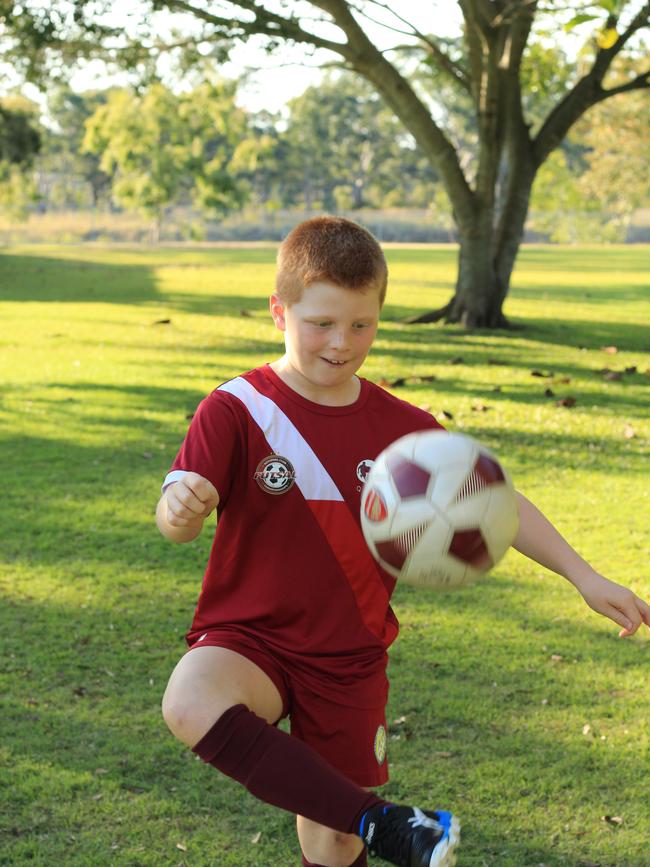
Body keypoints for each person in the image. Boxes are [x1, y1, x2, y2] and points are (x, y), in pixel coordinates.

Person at [156, 216, 650, 867]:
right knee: (191, 699)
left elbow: (493, 500)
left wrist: (584, 576)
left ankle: (367, 824)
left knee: (332, 841)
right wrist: (181, 507)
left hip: (348, 654)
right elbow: (176, 518)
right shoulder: (238, 408)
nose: (341, 343)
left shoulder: (402, 427)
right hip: (252, 637)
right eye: (322, 323)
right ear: (280, 309)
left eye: (361, 325)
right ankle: (387, 823)